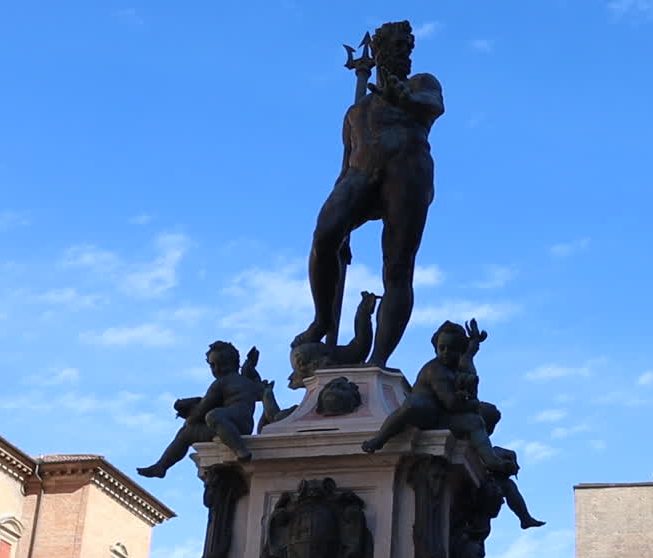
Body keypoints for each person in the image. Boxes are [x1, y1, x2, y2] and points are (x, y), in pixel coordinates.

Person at [293, 21, 444, 367]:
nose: (404, 51)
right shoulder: (355, 112)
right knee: (325, 234)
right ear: (378, 50)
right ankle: (323, 319)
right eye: (397, 45)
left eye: (408, 46)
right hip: (360, 175)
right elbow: (345, 163)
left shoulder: (422, 83)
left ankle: (378, 359)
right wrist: (344, 222)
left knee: (397, 268)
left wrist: (404, 98)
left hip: (408, 172)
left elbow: (432, 104)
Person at [361, 322, 516, 476]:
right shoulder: (435, 370)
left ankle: (491, 460)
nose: (446, 352)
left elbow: (469, 356)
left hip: (442, 417)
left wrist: (475, 340)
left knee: (477, 421)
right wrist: (472, 403)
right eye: (442, 348)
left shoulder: (459, 367)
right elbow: (451, 403)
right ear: (435, 348)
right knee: (411, 406)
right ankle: (380, 439)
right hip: (425, 414)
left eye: (452, 349)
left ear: (460, 350)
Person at [137, 342, 261, 477]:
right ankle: (160, 466)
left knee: (189, 431)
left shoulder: (220, 383)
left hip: (231, 424)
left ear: (233, 363)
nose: (216, 369)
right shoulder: (245, 381)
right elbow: (259, 393)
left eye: (221, 364)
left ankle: (240, 449)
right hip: (243, 424)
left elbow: (202, 411)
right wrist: (250, 368)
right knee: (207, 419)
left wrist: (189, 416)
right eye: (213, 365)